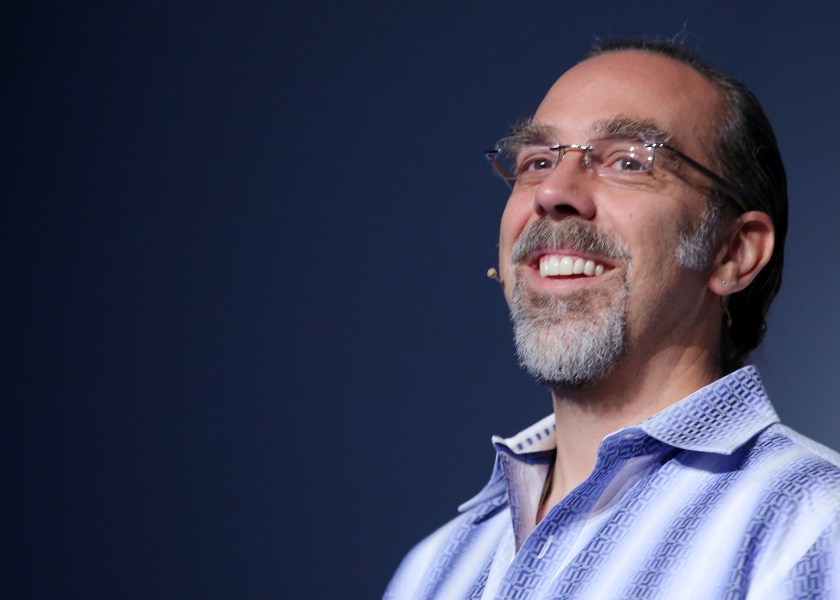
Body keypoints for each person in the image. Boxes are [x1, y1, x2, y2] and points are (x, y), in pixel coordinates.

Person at [384, 40, 840, 599]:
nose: (553, 192)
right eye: (537, 162)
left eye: (629, 161)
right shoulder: (433, 572)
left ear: (733, 253)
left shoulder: (814, 530)